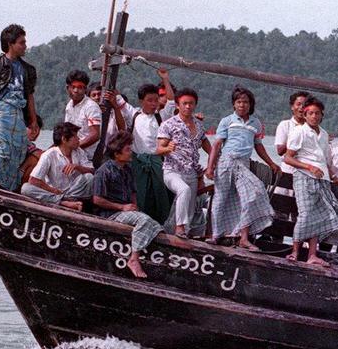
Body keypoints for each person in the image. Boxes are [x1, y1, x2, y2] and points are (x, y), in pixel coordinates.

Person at [205, 86, 279, 251]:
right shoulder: (227, 121)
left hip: (243, 164)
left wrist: (271, 163)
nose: (242, 105)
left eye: (245, 102)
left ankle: (244, 237)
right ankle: (216, 235)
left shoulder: (256, 123)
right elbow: (217, 145)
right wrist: (210, 167)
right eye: (238, 102)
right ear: (234, 104)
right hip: (226, 162)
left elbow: (258, 146)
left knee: (252, 195)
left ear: (250, 104)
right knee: (220, 198)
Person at [92, 133, 163, 279]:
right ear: (117, 154)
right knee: (145, 221)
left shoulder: (128, 169)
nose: (131, 152)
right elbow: (97, 200)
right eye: (127, 150)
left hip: (125, 212)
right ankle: (134, 259)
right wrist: (122, 207)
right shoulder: (104, 171)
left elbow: (133, 193)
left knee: (157, 226)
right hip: (110, 214)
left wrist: (135, 207)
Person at [283, 98, 338, 267]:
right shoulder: (299, 131)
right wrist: (309, 167)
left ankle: (312, 255)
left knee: (318, 216)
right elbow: (287, 158)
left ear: (322, 115)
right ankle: (295, 252)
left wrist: (333, 176)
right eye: (310, 113)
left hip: (322, 179)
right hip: (303, 177)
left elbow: (324, 160)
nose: (314, 116)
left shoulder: (324, 135)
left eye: (317, 113)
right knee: (306, 214)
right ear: (305, 115)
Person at [0, 24, 41, 190]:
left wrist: (33, 120)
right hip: (1, 110)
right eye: (21, 42)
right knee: (1, 149)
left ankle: (7, 185)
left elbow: (29, 95)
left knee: (18, 149)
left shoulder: (27, 69)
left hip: (18, 112)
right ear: (10, 44)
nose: (25, 46)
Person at [109, 82, 172, 226]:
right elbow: (120, 101)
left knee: (160, 192)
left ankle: (161, 222)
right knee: (139, 192)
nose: (154, 104)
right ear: (141, 101)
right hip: (137, 162)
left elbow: (171, 101)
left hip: (157, 161)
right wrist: (113, 91)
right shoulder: (134, 114)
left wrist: (165, 79)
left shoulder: (161, 116)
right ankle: (139, 220)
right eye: (150, 100)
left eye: (156, 100)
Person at [156, 88, 211, 240]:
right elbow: (158, 149)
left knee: (190, 209)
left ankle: (183, 235)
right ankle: (179, 228)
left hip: (191, 173)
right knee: (183, 190)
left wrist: (212, 165)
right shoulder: (168, 124)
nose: (188, 106)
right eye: (184, 103)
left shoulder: (199, 126)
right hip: (172, 171)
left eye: (191, 103)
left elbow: (209, 148)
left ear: (195, 105)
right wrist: (168, 148)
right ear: (177, 105)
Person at [22, 122, 93, 210]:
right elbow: (33, 180)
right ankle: (63, 202)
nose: (78, 139)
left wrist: (77, 167)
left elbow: (92, 171)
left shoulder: (79, 151)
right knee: (26, 188)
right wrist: (53, 190)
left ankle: (65, 200)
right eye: (75, 136)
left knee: (89, 177)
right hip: (54, 192)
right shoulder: (49, 155)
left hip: (75, 193)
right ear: (64, 139)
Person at [63, 69, 104, 150]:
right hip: (71, 150)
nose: (76, 90)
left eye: (80, 87)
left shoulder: (91, 106)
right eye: (73, 87)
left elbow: (95, 135)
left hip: (85, 153)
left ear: (85, 89)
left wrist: (75, 147)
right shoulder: (69, 106)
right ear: (68, 88)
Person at [274, 91, 310, 179]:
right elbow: (280, 151)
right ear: (292, 107)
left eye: (305, 105)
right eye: (298, 104)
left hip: (306, 173)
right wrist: (297, 136)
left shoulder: (312, 128)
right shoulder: (285, 125)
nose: (301, 107)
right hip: (288, 171)